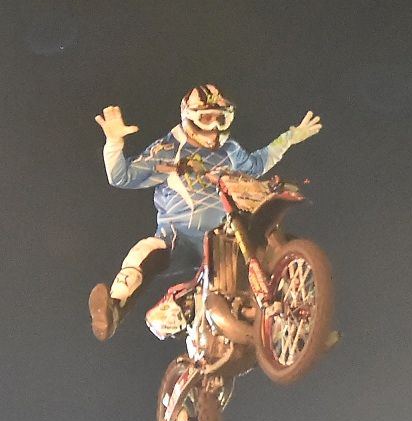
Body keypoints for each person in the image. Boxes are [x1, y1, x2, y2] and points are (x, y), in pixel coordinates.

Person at [89, 84, 322, 340]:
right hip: (180, 238)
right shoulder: (168, 149)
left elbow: (256, 165)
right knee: (148, 249)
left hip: (227, 237)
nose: (214, 127)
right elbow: (122, 176)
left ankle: (306, 320)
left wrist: (289, 137)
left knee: (269, 244)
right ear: (190, 118)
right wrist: (114, 143)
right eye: (206, 118)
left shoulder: (230, 149)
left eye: (221, 118)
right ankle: (115, 307)